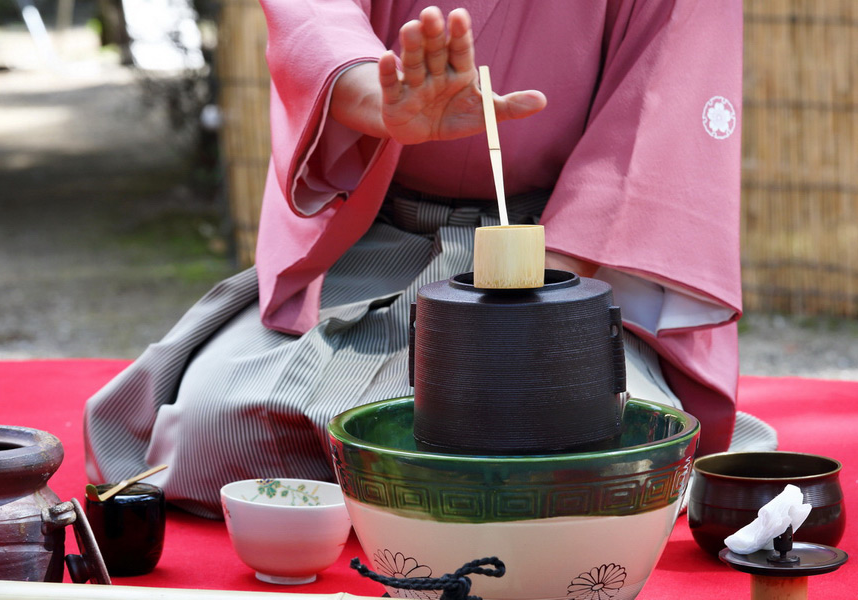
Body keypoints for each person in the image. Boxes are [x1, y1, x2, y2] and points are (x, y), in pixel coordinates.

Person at [85, 1, 773, 520]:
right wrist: (376, 94)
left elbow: (662, 106)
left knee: (593, 442)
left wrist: (534, 320)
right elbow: (313, 18)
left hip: (563, 262)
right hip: (380, 239)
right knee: (214, 429)